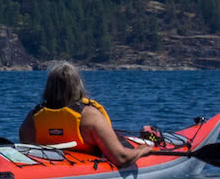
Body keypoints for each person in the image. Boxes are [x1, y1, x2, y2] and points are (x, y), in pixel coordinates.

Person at [19, 62, 151, 167]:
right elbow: (122, 159)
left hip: (48, 173)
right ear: (77, 85)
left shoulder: (32, 118)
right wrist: (143, 150)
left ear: (48, 87)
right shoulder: (90, 116)